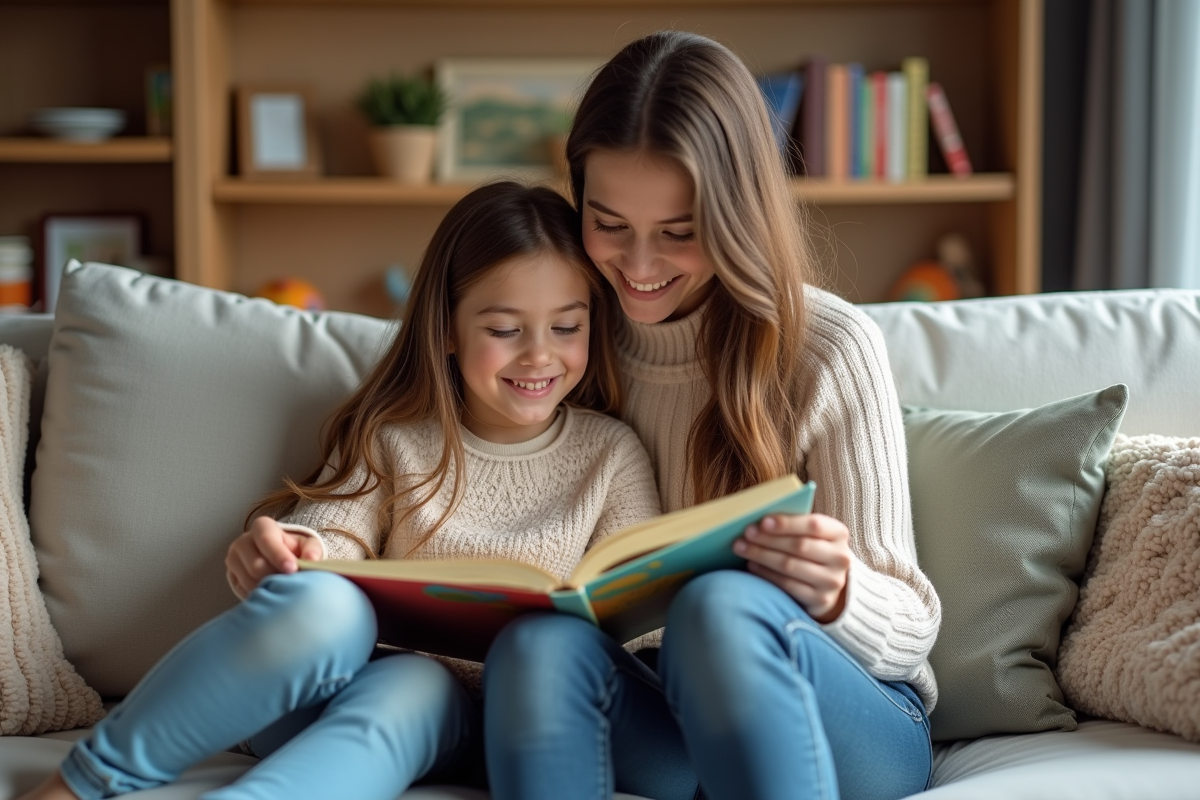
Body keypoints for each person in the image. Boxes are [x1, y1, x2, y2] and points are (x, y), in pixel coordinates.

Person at [20, 181, 662, 800]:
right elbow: (336, 533)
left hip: (546, 718)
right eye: (504, 330)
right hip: (402, 701)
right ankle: (79, 784)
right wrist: (297, 551)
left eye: (566, 327)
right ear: (446, 330)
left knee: (500, 664)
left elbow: (631, 621)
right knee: (376, 651)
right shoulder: (396, 440)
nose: (539, 356)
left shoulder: (610, 454)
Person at [483, 31, 941, 800]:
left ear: (736, 213)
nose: (637, 266)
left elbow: (913, 627)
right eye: (609, 225)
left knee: (717, 608)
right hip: (667, 715)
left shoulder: (827, 347)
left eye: (678, 234)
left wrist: (839, 591)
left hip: (850, 717)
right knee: (535, 648)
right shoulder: (561, 342)